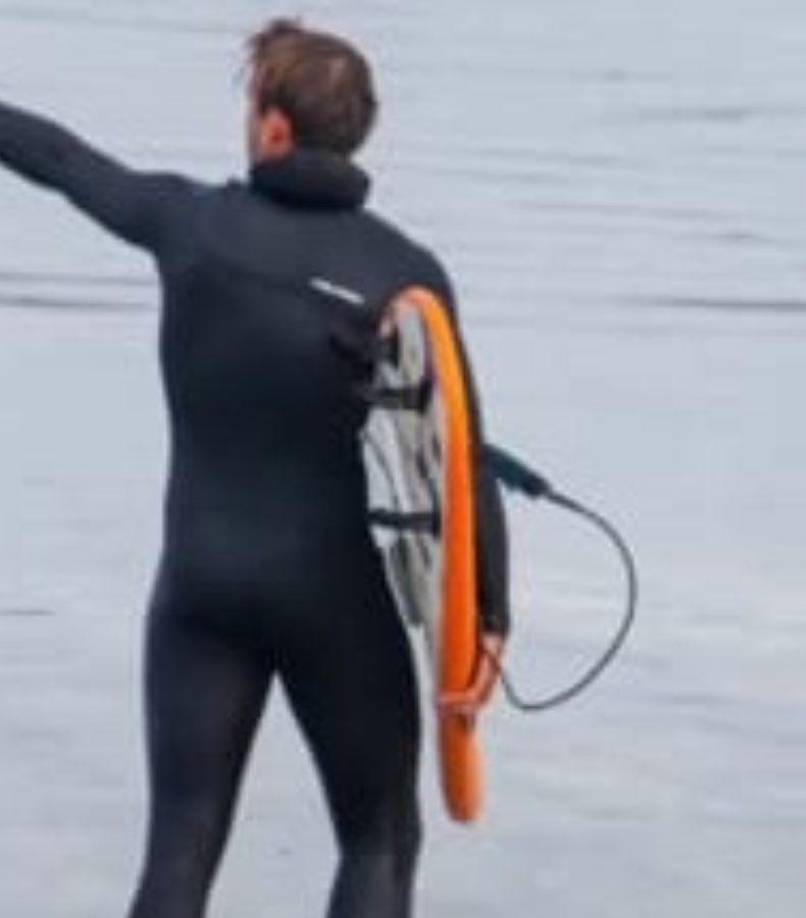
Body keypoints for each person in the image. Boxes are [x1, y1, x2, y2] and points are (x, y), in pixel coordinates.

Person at [0, 18, 508, 918]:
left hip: (202, 587)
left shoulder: (189, 224)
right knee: (380, 840)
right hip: (331, 597)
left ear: (275, 128)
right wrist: (488, 619)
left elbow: (63, 161)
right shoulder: (406, 275)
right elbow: (457, 454)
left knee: (182, 845)